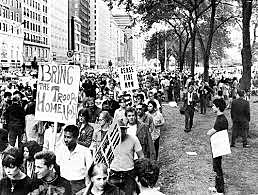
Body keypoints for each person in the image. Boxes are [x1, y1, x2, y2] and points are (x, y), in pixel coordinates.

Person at [109, 120, 144, 195]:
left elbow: (141, 156)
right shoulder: (110, 140)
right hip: (114, 174)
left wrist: (138, 172)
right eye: (119, 130)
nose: (121, 132)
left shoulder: (133, 139)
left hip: (129, 174)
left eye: (123, 130)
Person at [56, 125, 93, 194]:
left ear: (76, 138)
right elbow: (57, 167)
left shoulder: (85, 151)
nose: (66, 140)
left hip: (78, 186)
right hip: (63, 185)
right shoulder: (60, 150)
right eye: (65, 137)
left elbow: (90, 172)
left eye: (69, 137)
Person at [207, 98, 228, 195]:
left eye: (214, 106)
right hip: (218, 145)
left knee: (217, 167)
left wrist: (209, 132)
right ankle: (217, 186)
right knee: (216, 166)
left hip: (218, 146)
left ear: (218, 107)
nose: (212, 107)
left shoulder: (220, 120)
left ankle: (220, 190)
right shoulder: (221, 118)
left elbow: (210, 132)